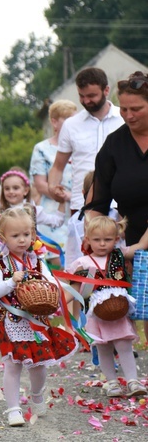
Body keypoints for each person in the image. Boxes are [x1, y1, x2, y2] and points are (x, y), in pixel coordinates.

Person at [0, 207, 78, 427]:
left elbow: (51, 283)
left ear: (33, 235)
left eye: (26, 235)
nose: (21, 240)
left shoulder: (38, 262)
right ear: (3, 238)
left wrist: (52, 288)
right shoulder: (1, 264)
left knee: (38, 366)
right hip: (10, 321)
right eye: (15, 236)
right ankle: (13, 409)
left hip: (36, 321)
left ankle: (36, 394)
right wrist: (11, 282)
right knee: (13, 365)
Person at [89, 71, 148, 344]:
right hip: (134, 239)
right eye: (123, 108)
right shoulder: (115, 143)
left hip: (139, 245)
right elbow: (97, 201)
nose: (128, 115)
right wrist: (94, 237)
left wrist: (138, 247)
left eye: (136, 109)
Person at [48, 67, 123, 268]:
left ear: (106, 90)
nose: (86, 101)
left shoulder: (124, 119)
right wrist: (52, 186)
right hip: (82, 205)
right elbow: (58, 166)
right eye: (82, 96)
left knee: (119, 263)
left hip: (119, 203)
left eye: (91, 95)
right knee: (80, 265)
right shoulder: (71, 125)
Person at [66, 216, 146, 398]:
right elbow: (75, 289)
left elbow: (140, 246)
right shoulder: (82, 263)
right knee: (103, 348)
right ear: (87, 239)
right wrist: (62, 303)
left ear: (116, 239)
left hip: (119, 312)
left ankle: (133, 380)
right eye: (97, 240)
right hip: (96, 315)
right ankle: (112, 382)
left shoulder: (119, 254)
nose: (102, 244)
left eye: (108, 239)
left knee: (124, 344)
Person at [29, 100, 78, 265]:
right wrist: (63, 196)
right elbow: (40, 184)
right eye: (67, 119)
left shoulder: (80, 147)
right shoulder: (42, 148)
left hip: (79, 209)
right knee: (56, 262)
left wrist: (75, 196)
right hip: (52, 212)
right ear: (54, 121)